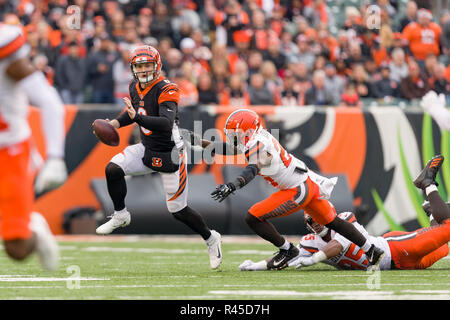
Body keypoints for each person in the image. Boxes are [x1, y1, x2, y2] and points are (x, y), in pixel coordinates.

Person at [199, 109, 384, 270]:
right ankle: (371, 250)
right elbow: (228, 149)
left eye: (236, 134)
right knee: (333, 222)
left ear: (248, 130)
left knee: (253, 217)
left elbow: (253, 168)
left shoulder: (259, 144)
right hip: (305, 183)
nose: (234, 138)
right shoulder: (257, 137)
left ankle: (287, 250)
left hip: (297, 189)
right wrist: (198, 141)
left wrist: (233, 185)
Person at [94, 45, 222, 270]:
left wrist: (136, 119)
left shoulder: (167, 88)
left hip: (170, 153)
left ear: (157, 66)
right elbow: (134, 112)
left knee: (178, 211)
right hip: (147, 147)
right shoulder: (135, 86)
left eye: (147, 65)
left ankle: (211, 238)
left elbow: (164, 123)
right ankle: (120, 215)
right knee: (113, 168)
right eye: (139, 66)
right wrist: (115, 123)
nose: (143, 70)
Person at [240, 155, 450, 272]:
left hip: (395, 249)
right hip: (400, 265)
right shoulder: (310, 242)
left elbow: (339, 244)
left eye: (316, 217)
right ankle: (432, 211)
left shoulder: (344, 220)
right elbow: (287, 259)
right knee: (444, 247)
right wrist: (256, 266)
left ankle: (428, 183)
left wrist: (316, 259)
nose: (315, 223)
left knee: (448, 228)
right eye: (310, 220)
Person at [0, 22, 68, 271]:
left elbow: (50, 102)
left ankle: (34, 231)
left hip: (8, 151)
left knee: (16, 249)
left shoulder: (6, 53)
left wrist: (55, 157)